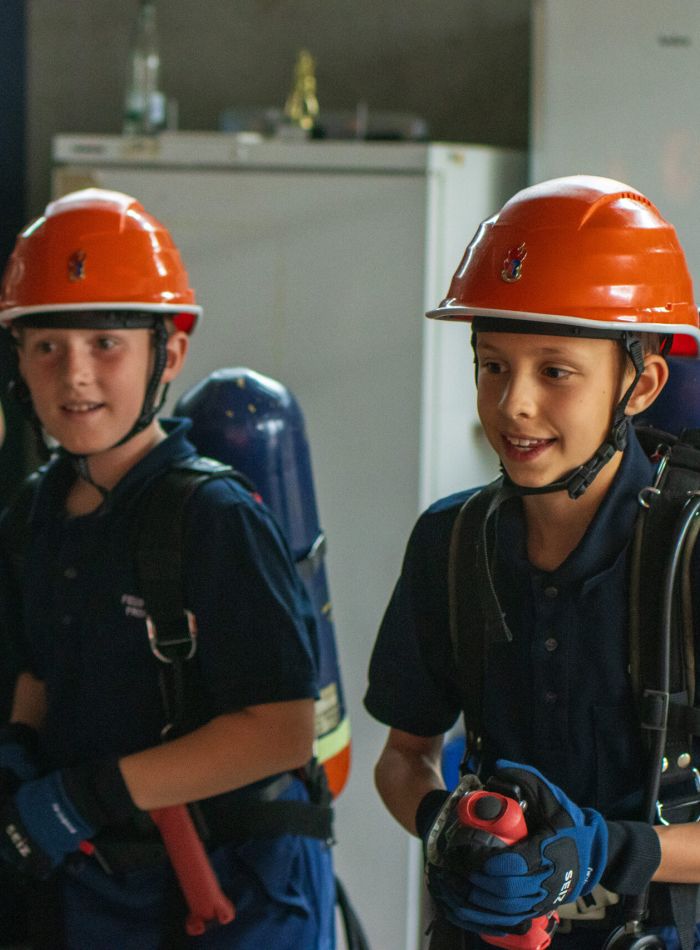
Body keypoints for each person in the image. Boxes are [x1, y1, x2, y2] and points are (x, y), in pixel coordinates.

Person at [364, 175, 700, 950]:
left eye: (555, 371)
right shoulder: (451, 542)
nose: (513, 404)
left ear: (640, 384)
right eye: (492, 366)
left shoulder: (687, 558)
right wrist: (443, 824)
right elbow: (403, 759)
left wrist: (611, 852)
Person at [0, 188, 336, 949]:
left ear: (169, 354)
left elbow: (282, 731)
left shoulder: (213, 519)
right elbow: (39, 663)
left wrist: (90, 794)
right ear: (18, 360)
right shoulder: (33, 514)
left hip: (232, 893)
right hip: (95, 890)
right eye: (47, 345)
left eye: (106, 344)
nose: (75, 375)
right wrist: (20, 748)